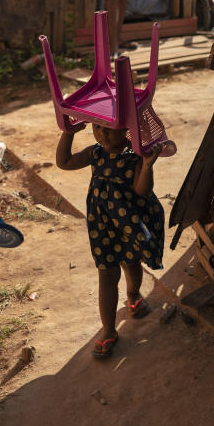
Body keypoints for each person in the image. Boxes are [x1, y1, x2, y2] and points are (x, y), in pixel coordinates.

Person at [55, 123, 165, 358]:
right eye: (96, 127)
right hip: (102, 226)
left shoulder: (135, 156)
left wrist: (147, 166)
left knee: (132, 262)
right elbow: (64, 162)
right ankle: (109, 330)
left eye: (108, 129)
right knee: (107, 274)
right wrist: (68, 133)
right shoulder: (95, 152)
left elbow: (142, 190)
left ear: (127, 128)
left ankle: (133, 296)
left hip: (128, 224)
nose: (101, 134)